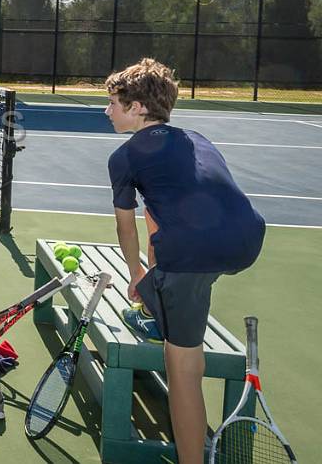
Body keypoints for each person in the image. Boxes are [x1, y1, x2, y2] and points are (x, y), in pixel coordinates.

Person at [104, 58, 265, 464]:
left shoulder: (123, 158)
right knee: (174, 282)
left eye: (113, 103)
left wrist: (136, 273)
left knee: (183, 373)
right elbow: (164, 213)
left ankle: (192, 458)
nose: (107, 111)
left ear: (138, 107)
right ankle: (160, 304)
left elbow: (129, 229)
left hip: (193, 251)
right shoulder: (196, 137)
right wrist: (151, 276)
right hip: (247, 237)